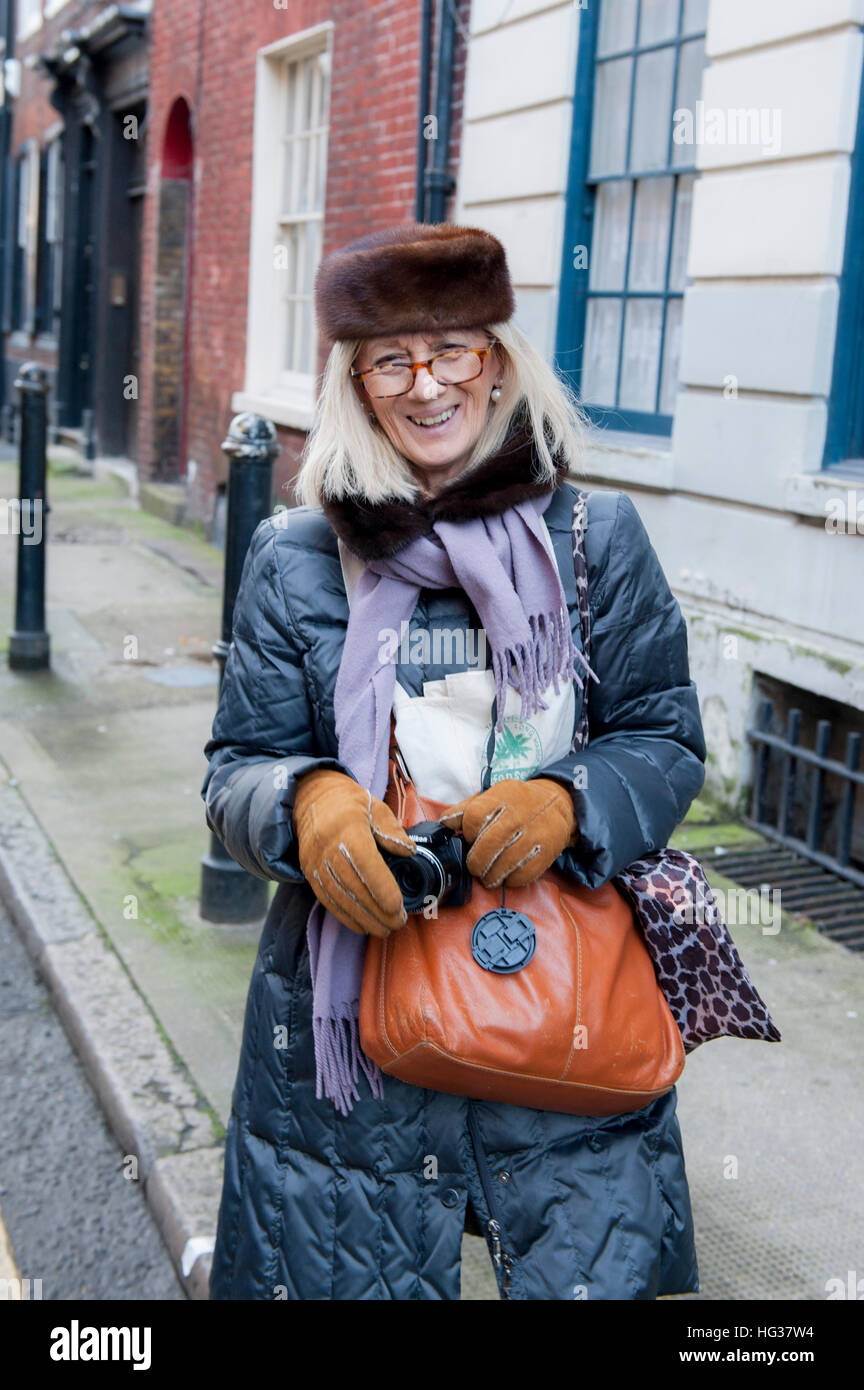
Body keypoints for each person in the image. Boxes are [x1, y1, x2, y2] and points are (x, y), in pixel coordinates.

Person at [202, 222, 707, 1301]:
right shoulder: (294, 558)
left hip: (563, 1006)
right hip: (347, 1058)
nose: (426, 384)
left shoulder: (596, 536)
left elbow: (663, 739)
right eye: (392, 358)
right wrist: (310, 801)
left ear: (497, 359)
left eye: (453, 350)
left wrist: (572, 800)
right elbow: (237, 766)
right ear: (358, 382)